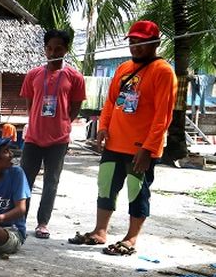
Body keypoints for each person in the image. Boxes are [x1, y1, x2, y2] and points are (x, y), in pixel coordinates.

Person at [69, 20, 176, 255]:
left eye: (142, 42)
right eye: (133, 42)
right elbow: (110, 101)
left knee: (137, 190)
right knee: (106, 186)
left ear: (155, 43)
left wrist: (148, 148)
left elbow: (163, 115)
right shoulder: (124, 68)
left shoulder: (163, 71)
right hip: (115, 142)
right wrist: (103, 127)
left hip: (141, 147)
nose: (136, 47)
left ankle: (131, 238)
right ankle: (100, 231)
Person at [20, 29, 86, 239]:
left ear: (66, 50)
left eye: (58, 48)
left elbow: (74, 108)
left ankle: (42, 223)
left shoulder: (75, 77)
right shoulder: (33, 75)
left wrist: (62, 123)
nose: (53, 52)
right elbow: (30, 105)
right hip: (33, 137)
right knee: (24, 180)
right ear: (45, 49)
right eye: (49, 48)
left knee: (51, 181)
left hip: (58, 139)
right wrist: (37, 123)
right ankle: (20, 220)